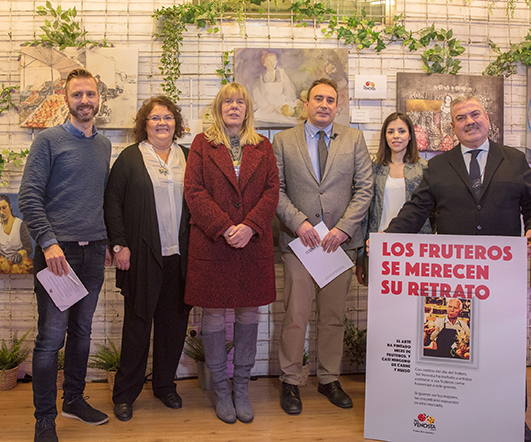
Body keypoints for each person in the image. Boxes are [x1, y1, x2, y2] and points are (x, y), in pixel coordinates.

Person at [385, 95, 531, 442]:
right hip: (454, 280)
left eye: (475, 114)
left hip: (501, 277)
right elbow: (416, 210)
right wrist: (387, 240)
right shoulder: (439, 166)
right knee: (456, 349)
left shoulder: (515, 160)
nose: (469, 121)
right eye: (461, 117)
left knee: (503, 349)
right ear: (453, 126)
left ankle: (510, 418)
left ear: (487, 118)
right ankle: (458, 415)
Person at [18, 68, 112, 442]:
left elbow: (99, 199)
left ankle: (73, 399)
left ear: (98, 99)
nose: (85, 101)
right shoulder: (48, 141)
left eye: (91, 94)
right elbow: (28, 197)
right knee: (50, 338)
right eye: (78, 95)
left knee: (83, 333)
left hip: (93, 255)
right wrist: (48, 243)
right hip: (58, 255)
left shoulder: (103, 146)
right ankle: (45, 419)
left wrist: (106, 240)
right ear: (65, 98)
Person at [273, 78, 373, 415]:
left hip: (338, 246)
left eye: (331, 100)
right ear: (306, 102)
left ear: (338, 105)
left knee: (332, 317)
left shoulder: (355, 139)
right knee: (295, 315)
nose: (325, 105)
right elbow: (277, 189)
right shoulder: (283, 140)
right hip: (301, 243)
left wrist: (344, 230)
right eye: (318, 98)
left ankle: (329, 378)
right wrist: (299, 222)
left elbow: (365, 189)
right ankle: (290, 380)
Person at [184, 82, 279, 424]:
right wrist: (225, 227)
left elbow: (271, 192)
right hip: (213, 243)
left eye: (240, 101)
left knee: (248, 314)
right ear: (218, 107)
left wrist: (250, 226)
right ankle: (221, 390)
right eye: (228, 101)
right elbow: (193, 191)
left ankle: (241, 388)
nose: (234, 106)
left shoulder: (263, 146)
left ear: (247, 109)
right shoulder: (201, 144)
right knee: (211, 315)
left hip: (251, 244)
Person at [103, 96, 192, 422]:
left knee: (174, 327)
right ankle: (125, 393)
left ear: (176, 123)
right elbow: (112, 203)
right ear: (145, 123)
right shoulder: (129, 158)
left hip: (180, 258)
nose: (162, 123)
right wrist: (119, 245)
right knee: (137, 326)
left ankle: (166, 386)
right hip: (141, 256)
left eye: (168, 117)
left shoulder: (188, 157)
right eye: (155, 118)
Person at [355, 112, 432, 285]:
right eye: (390, 131)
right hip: (378, 246)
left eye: (401, 131)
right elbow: (364, 216)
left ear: (410, 135)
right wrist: (360, 259)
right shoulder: (372, 169)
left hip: (416, 249)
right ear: (384, 136)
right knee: (381, 305)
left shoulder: (425, 169)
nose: (396, 136)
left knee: (411, 302)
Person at [252, 51, 299, 124]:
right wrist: (267, 105)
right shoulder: (262, 78)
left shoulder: (281, 73)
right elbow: (260, 96)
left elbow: (289, 90)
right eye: (269, 61)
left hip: (281, 103)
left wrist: (286, 101)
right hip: (269, 105)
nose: (272, 63)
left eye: (274, 60)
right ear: (264, 64)